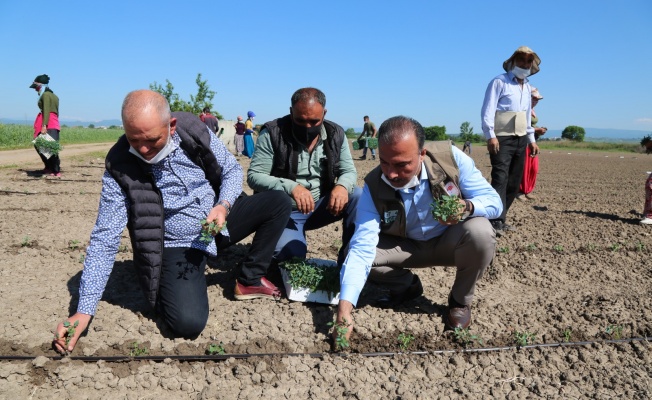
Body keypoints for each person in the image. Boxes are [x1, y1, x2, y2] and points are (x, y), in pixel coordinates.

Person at [52, 90, 292, 354]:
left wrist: (223, 205)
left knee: (278, 201)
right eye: (134, 140)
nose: (143, 150)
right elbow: (105, 238)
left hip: (217, 219)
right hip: (179, 243)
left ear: (172, 126)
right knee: (187, 323)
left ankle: (249, 278)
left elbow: (232, 170)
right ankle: (191, 270)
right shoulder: (119, 167)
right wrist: (83, 311)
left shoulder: (193, 131)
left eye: (152, 140)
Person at [332, 116, 502, 341]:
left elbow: (494, 203)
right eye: (384, 162)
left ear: (422, 154)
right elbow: (362, 246)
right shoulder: (373, 186)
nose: (391, 174)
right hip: (405, 247)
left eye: (402, 165)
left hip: (449, 241)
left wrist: (468, 207)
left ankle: (460, 301)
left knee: (481, 232)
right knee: (351, 254)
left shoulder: (449, 159)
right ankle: (407, 286)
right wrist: (344, 312)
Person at [247, 87, 362, 266]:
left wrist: (342, 187)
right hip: (285, 211)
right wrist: (291, 187)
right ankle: (283, 240)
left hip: (321, 206)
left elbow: (349, 171)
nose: (308, 127)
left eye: (314, 121)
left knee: (358, 196)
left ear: (324, 113)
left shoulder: (336, 134)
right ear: (291, 112)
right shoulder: (272, 133)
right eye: (300, 120)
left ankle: (350, 264)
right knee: (290, 257)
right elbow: (255, 176)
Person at [481, 46, 541, 237]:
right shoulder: (500, 82)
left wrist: (531, 139)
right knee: (500, 178)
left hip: (521, 138)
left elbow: (525, 115)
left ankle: (501, 218)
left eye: (528, 62)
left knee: (514, 182)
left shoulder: (527, 87)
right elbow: (488, 110)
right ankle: (494, 220)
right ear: (513, 62)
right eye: (521, 61)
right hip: (502, 137)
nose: (524, 65)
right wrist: (490, 135)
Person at [518, 88, 547, 201]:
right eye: (534, 98)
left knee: (532, 168)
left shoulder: (532, 111)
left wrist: (539, 130)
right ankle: (520, 191)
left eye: (537, 99)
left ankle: (528, 190)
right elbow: (522, 127)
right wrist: (536, 130)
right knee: (524, 167)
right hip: (524, 142)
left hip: (533, 142)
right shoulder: (523, 110)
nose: (536, 101)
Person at [29, 74, 61, 177]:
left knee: (48, 147)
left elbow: (46, 109)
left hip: (48, 122)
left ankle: (55, 170)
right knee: (42, 145)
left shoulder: (46, 95)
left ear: (41, 85)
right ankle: (50, 167)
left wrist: (44, 125)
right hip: (53, 121)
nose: (35, 90)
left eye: (36, 87)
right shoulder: (54, 96)